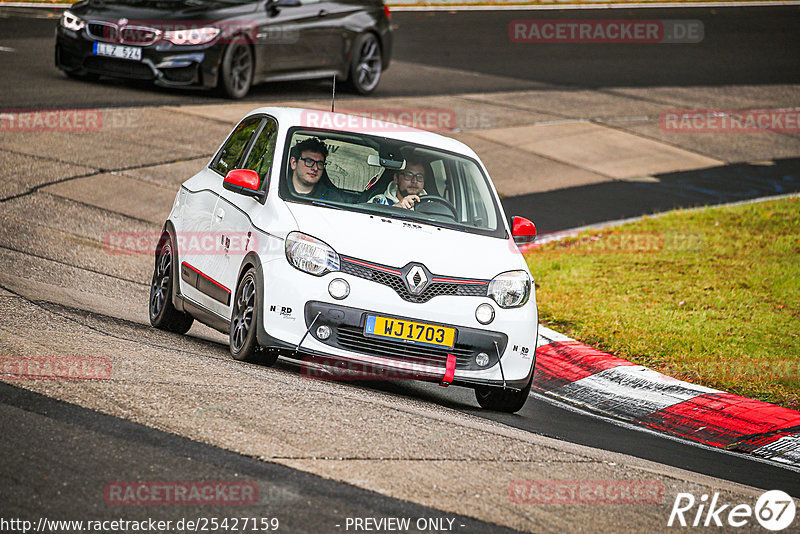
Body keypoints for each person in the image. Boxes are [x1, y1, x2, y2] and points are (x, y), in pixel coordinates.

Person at [288, 137, 345, 202]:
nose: (315, 168)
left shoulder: (333, 199)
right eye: (309, 161)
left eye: (320, 163)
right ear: (294, 163)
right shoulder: (277, 189)